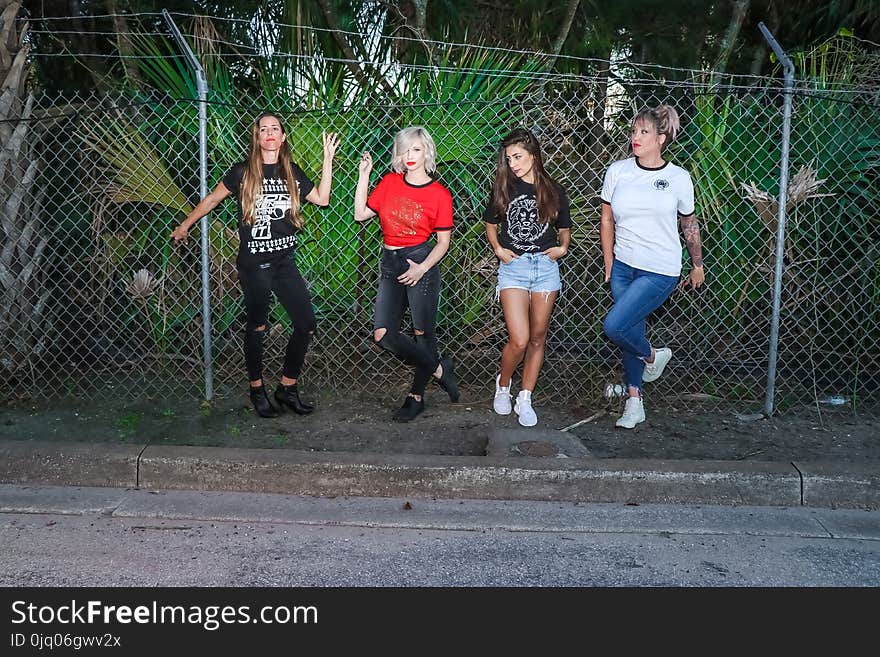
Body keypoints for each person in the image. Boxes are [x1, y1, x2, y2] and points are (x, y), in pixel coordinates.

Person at [171, 112, 339, 418]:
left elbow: (324, 199)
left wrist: (328, 158)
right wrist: (185, 225)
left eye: (275, 128)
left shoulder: (292, 172)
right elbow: (212, 199)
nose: (270, 133)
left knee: (305, 324)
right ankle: (257, 388)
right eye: (264, 129)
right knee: (258, 326)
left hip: (285, 261)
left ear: (283, 137)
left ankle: (287, 388)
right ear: (257, 137)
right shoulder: (243, 171)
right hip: (255, 263)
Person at [600, 104, 704, 429]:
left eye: (644, 132)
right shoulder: (618, 171)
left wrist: (697, 264)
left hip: (660, 270)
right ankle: (635, 403)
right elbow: (606, 217)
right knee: (632, 328)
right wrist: (608, 261)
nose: (636, 137)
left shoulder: (678, 178)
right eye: (634, 131)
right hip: (623, 267)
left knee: (615, 326)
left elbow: (690, 223)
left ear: (661, 138)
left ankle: (651, 357)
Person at [354, 126, 459, 422]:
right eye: (404, 150)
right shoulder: (388, 182)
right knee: (382, 334)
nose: (410, 156)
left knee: (422, 332)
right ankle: (440, 369)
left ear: (427, 152)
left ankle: (416, 397)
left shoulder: (439, 195)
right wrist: (364, 175)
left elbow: (443, 243)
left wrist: (423, 267)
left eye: (416, 149)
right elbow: (360, 214)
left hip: (420, 261)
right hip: (390, 262)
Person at [484, 128, 571, 427]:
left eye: (518, 157)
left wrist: (562, 248)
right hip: (514, 268)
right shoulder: (504, 187)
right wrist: (498, 248)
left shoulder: (554, 190)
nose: (513, 163)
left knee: (537, 337)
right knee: (519, 339)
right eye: (509, 159)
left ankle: (526, 396)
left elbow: (564, 228)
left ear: (534, 154)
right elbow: (490, 223)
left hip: (545, 268)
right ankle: (504, 385)